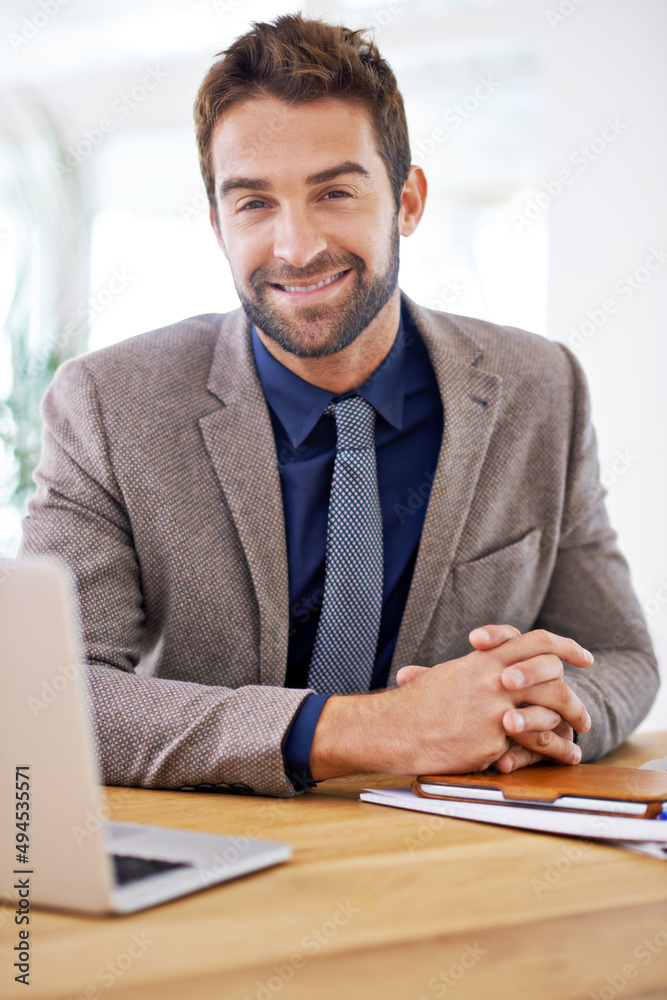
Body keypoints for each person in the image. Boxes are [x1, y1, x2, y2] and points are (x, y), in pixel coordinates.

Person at [20, 14, 658, 797]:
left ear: (407, 201)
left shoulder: (541, 386)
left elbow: (619, 656)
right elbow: (49, 695)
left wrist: (542, 715)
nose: (295, 246)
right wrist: (370, 731)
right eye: (255, 204)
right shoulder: (108, 405)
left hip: (444, 856)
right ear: (218, 225)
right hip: (208, 859)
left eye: (334, 192)